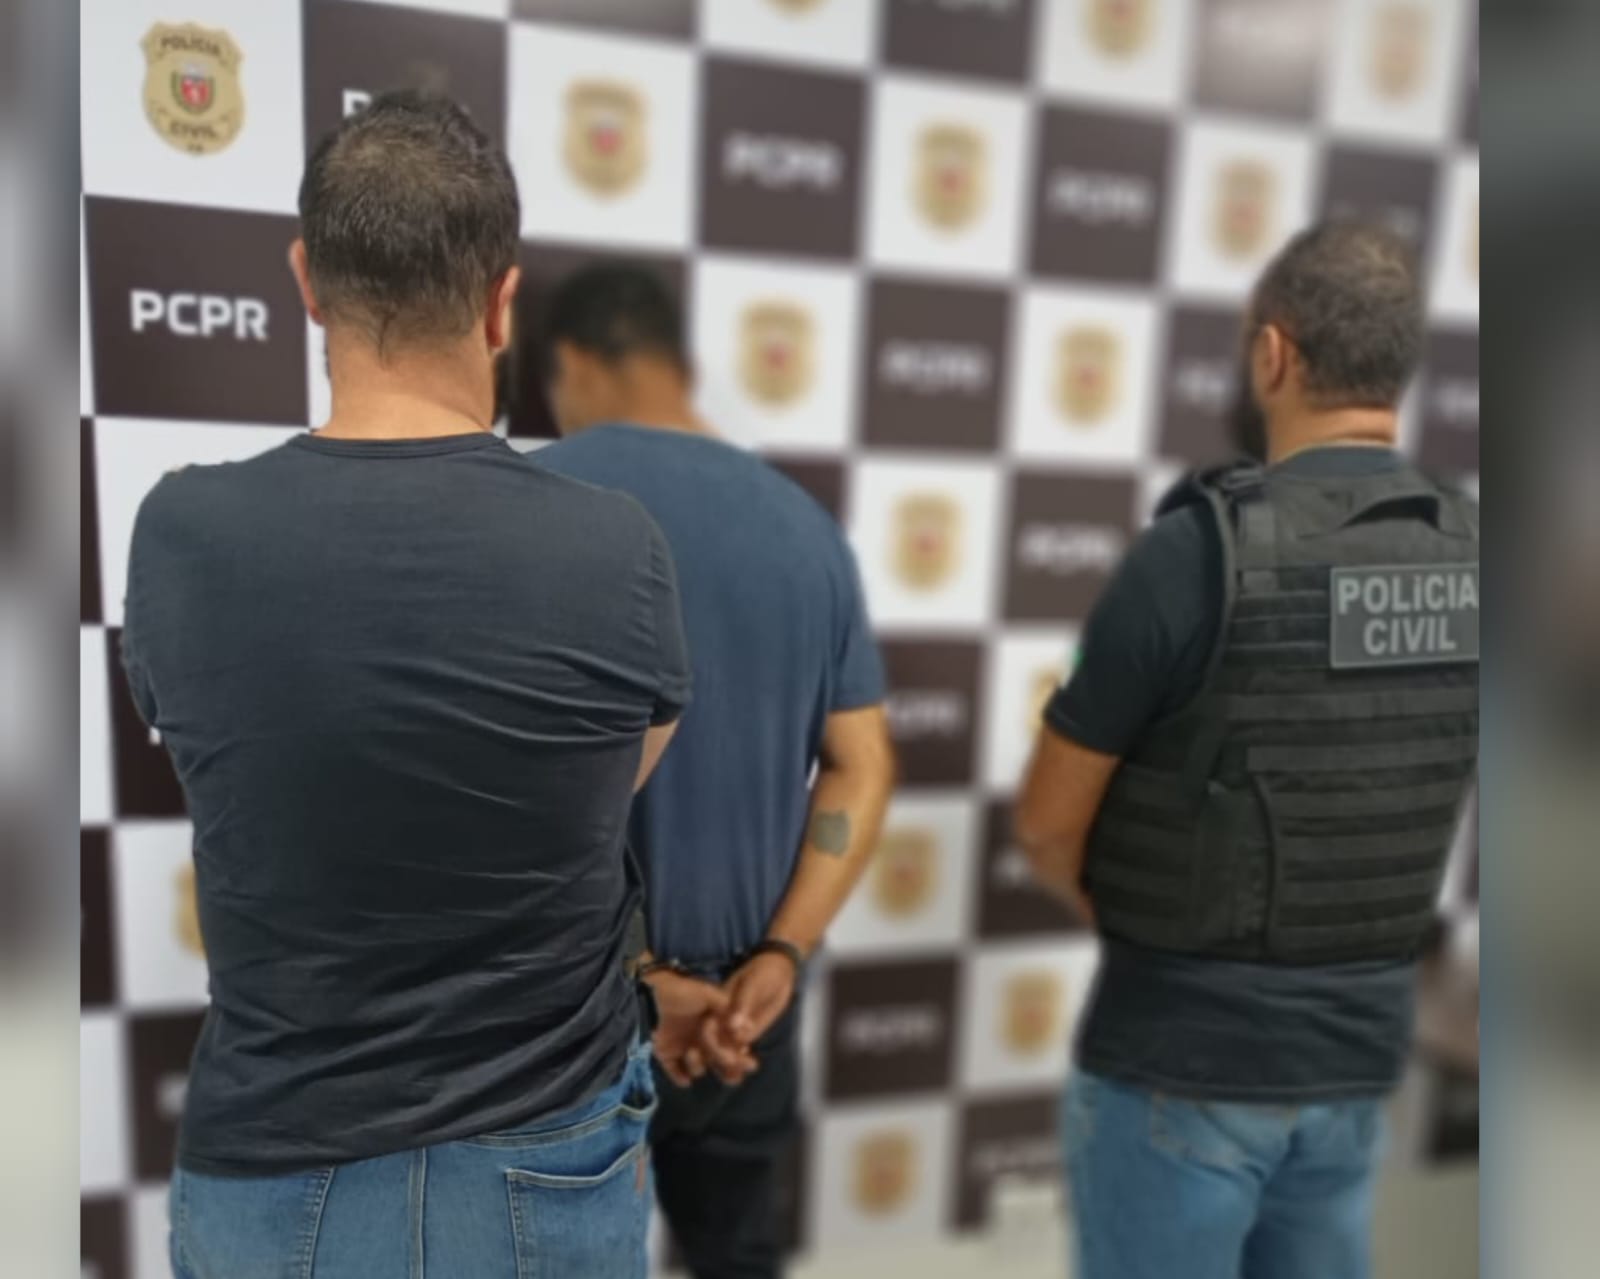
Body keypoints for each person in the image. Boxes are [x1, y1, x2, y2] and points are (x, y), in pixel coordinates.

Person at [121, 91, 716, 1278]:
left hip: (273, 1172)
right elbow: (609, 780)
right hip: (547, 1162)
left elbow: (218, 752)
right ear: (503, 302)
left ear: (306, 281)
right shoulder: (618, 546)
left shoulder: (182, 532)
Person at [1015, 221, 1479, 1279]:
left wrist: (1140, 912)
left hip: (1181, 1060)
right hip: (1356, 1066)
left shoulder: (1193, 554)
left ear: (1273, 353)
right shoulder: (1474, 555)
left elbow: (1045, 824)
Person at [532, 263, 896, 1278]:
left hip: (571, 1011)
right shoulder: (804, 527)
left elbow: (483, 784)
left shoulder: (531, 503)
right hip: (748, 1010)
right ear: (679, 363)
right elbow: (861, 765)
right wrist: (779, 954)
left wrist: (646, 979)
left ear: (571, 362)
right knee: (738, 1256)